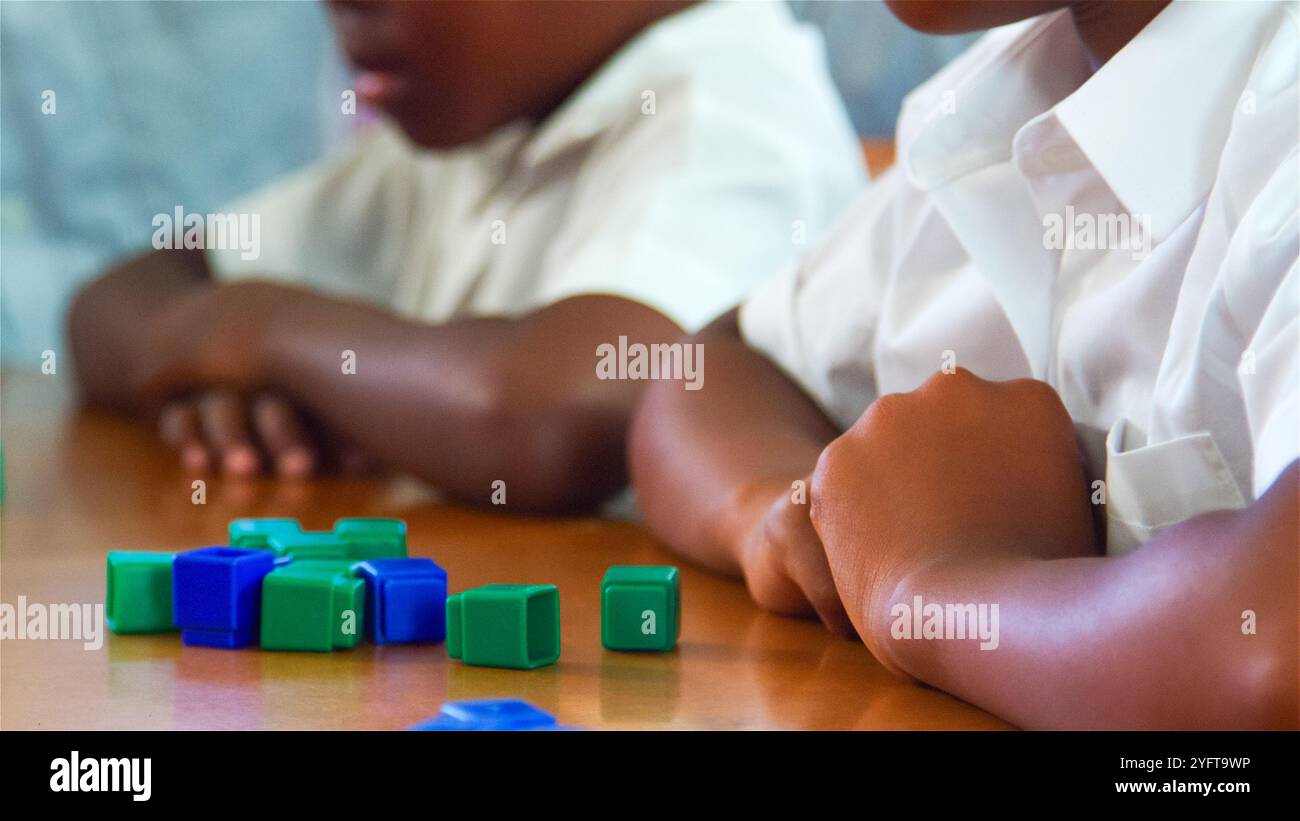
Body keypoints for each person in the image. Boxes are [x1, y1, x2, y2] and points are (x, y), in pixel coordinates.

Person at [629, 0, 1298, 728]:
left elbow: (1274, 651)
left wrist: (929, 589)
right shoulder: (1006, 97)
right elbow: (712, 369)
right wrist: (789, 516)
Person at [68, 0, 865, 512]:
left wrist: (264, 331)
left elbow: (561, 412)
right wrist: (225, 359)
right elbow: (111, 301)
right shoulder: (470, 133)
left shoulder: (738, 118)